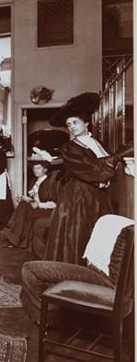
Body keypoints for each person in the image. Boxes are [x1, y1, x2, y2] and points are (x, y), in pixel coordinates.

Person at [36, 92, 124, 264]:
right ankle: (72, 276)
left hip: (98, 198)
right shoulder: (69, 148)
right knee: (77, 239)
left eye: (75, 122)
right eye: (68, 124)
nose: (71, 127)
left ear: (86, 123)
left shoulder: (98, 144)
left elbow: (105, 166)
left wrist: (116, 159)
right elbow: (91, 169)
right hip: (77, 199)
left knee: (98, 239)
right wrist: (116, 158)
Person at [0, 160, 56, 248]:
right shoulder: (34, 182)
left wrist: (39, 205)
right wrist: (24, 198)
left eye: (39, 168)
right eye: (34, 168)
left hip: (47, 211)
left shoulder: (50, 183)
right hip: (36, 208)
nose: (35, 170)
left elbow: (56, 203)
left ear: (45, 169)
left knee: (24, 209)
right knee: (23, 205)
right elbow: (34, 198)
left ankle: (12, 237)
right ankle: (13, 238)